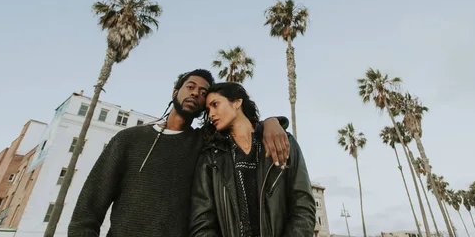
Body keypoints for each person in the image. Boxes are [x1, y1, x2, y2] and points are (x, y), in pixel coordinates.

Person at [68, 69, 290, 237]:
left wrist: (271, 122)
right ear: (175, 92)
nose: (195, 93)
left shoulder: (206, 144)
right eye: (190, 87)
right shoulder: (129, 139)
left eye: (203, 93)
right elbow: (87, 210)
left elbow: (240, 126)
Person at [190, 82, 316, 237]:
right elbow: (202, 221)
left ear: (237, 102)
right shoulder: (210, 157)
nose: (211, 114)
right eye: (208, 110)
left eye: (215, 105)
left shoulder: (282, 141)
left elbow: (303, 203)